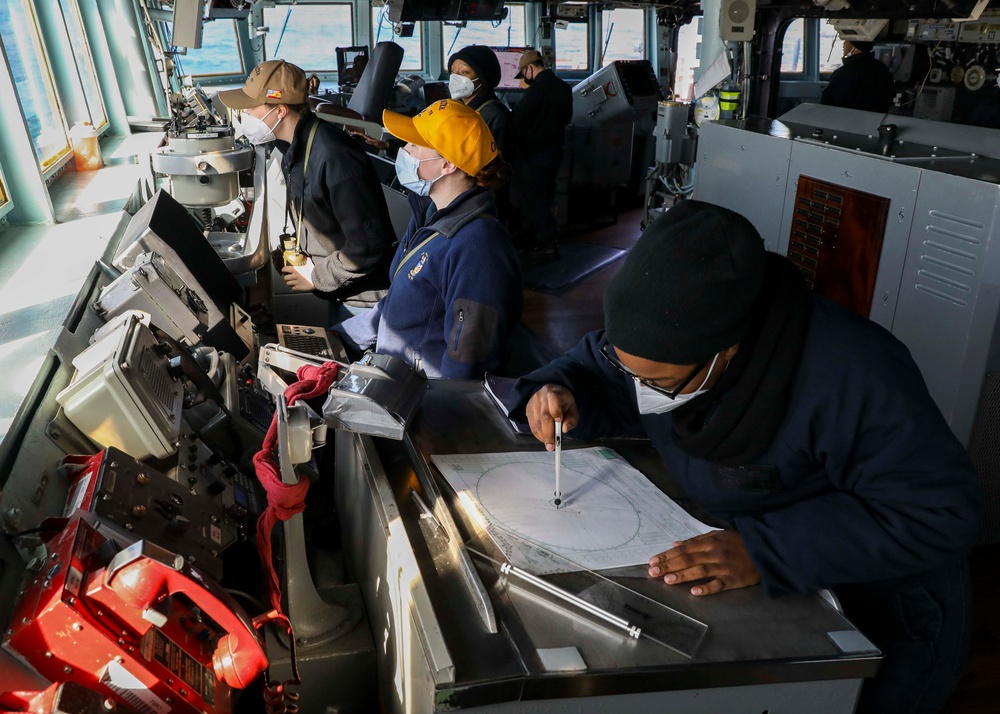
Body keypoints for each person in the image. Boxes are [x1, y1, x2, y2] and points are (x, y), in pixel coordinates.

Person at [515, 200, 981, 714]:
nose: (639, 391)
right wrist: (558, 387)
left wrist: (766, 549)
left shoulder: (854, 375)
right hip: (761, 569)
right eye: (627, 370)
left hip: (882, 602)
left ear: (729, 351)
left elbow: (942, 511)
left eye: (659, 384)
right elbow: (597, 367)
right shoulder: (659, 339)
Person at [331, 99, 522, 379]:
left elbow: (467, 360)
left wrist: (435, 413)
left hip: (424, 400)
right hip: (394, 377)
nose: (404, 150)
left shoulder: (479, 248)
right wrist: (337, 338)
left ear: (447, 164)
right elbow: (397, 303)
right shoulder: (429, 214)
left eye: (414, 146)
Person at [218, 59, 396, 323]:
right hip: (342, 291)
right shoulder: (294, 145)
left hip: (365, 305)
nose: (244, 116)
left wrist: (317, 276)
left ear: (279, 111)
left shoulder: (335, 158)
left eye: (249, 109)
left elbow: (369, 245)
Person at [511, 49, 572, 260]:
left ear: (529, 68)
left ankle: (547, 242)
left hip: (535, 154)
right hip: (556, 151)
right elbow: (567, 118)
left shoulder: (536, 91)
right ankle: (539, 238)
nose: (524, 79)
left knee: (535, 199)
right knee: (546, 197)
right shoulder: (564, 88)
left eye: (523, 74)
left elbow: (516, 119)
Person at [448, 45, 516, 226]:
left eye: (464, 72)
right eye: (453, 72)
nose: (455, 79)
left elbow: (497, 171)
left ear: (482, 77)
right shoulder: (463, 111)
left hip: (486, 202)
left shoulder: (494, 114)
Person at [820, 40, 895, 113]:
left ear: (855, 47)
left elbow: (828, 104)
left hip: (847, 122)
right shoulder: (882, 68)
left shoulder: (846, 72)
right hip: (877, 122)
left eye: (847, 41)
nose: (844, 43)